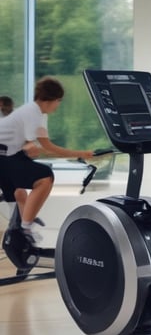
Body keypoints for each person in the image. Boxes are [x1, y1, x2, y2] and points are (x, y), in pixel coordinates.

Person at [0, 77, 94, 244]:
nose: (58, 105)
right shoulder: (33, 112)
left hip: (9, 154)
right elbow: (47, 147)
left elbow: (38, 147)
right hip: (4, 156)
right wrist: (82, 153)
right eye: (59, 101)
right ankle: (26, 228)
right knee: (45, 177)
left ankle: (25, 226)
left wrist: (76, 154)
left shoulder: (38, 113)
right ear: (51, 100)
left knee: (19, 191)